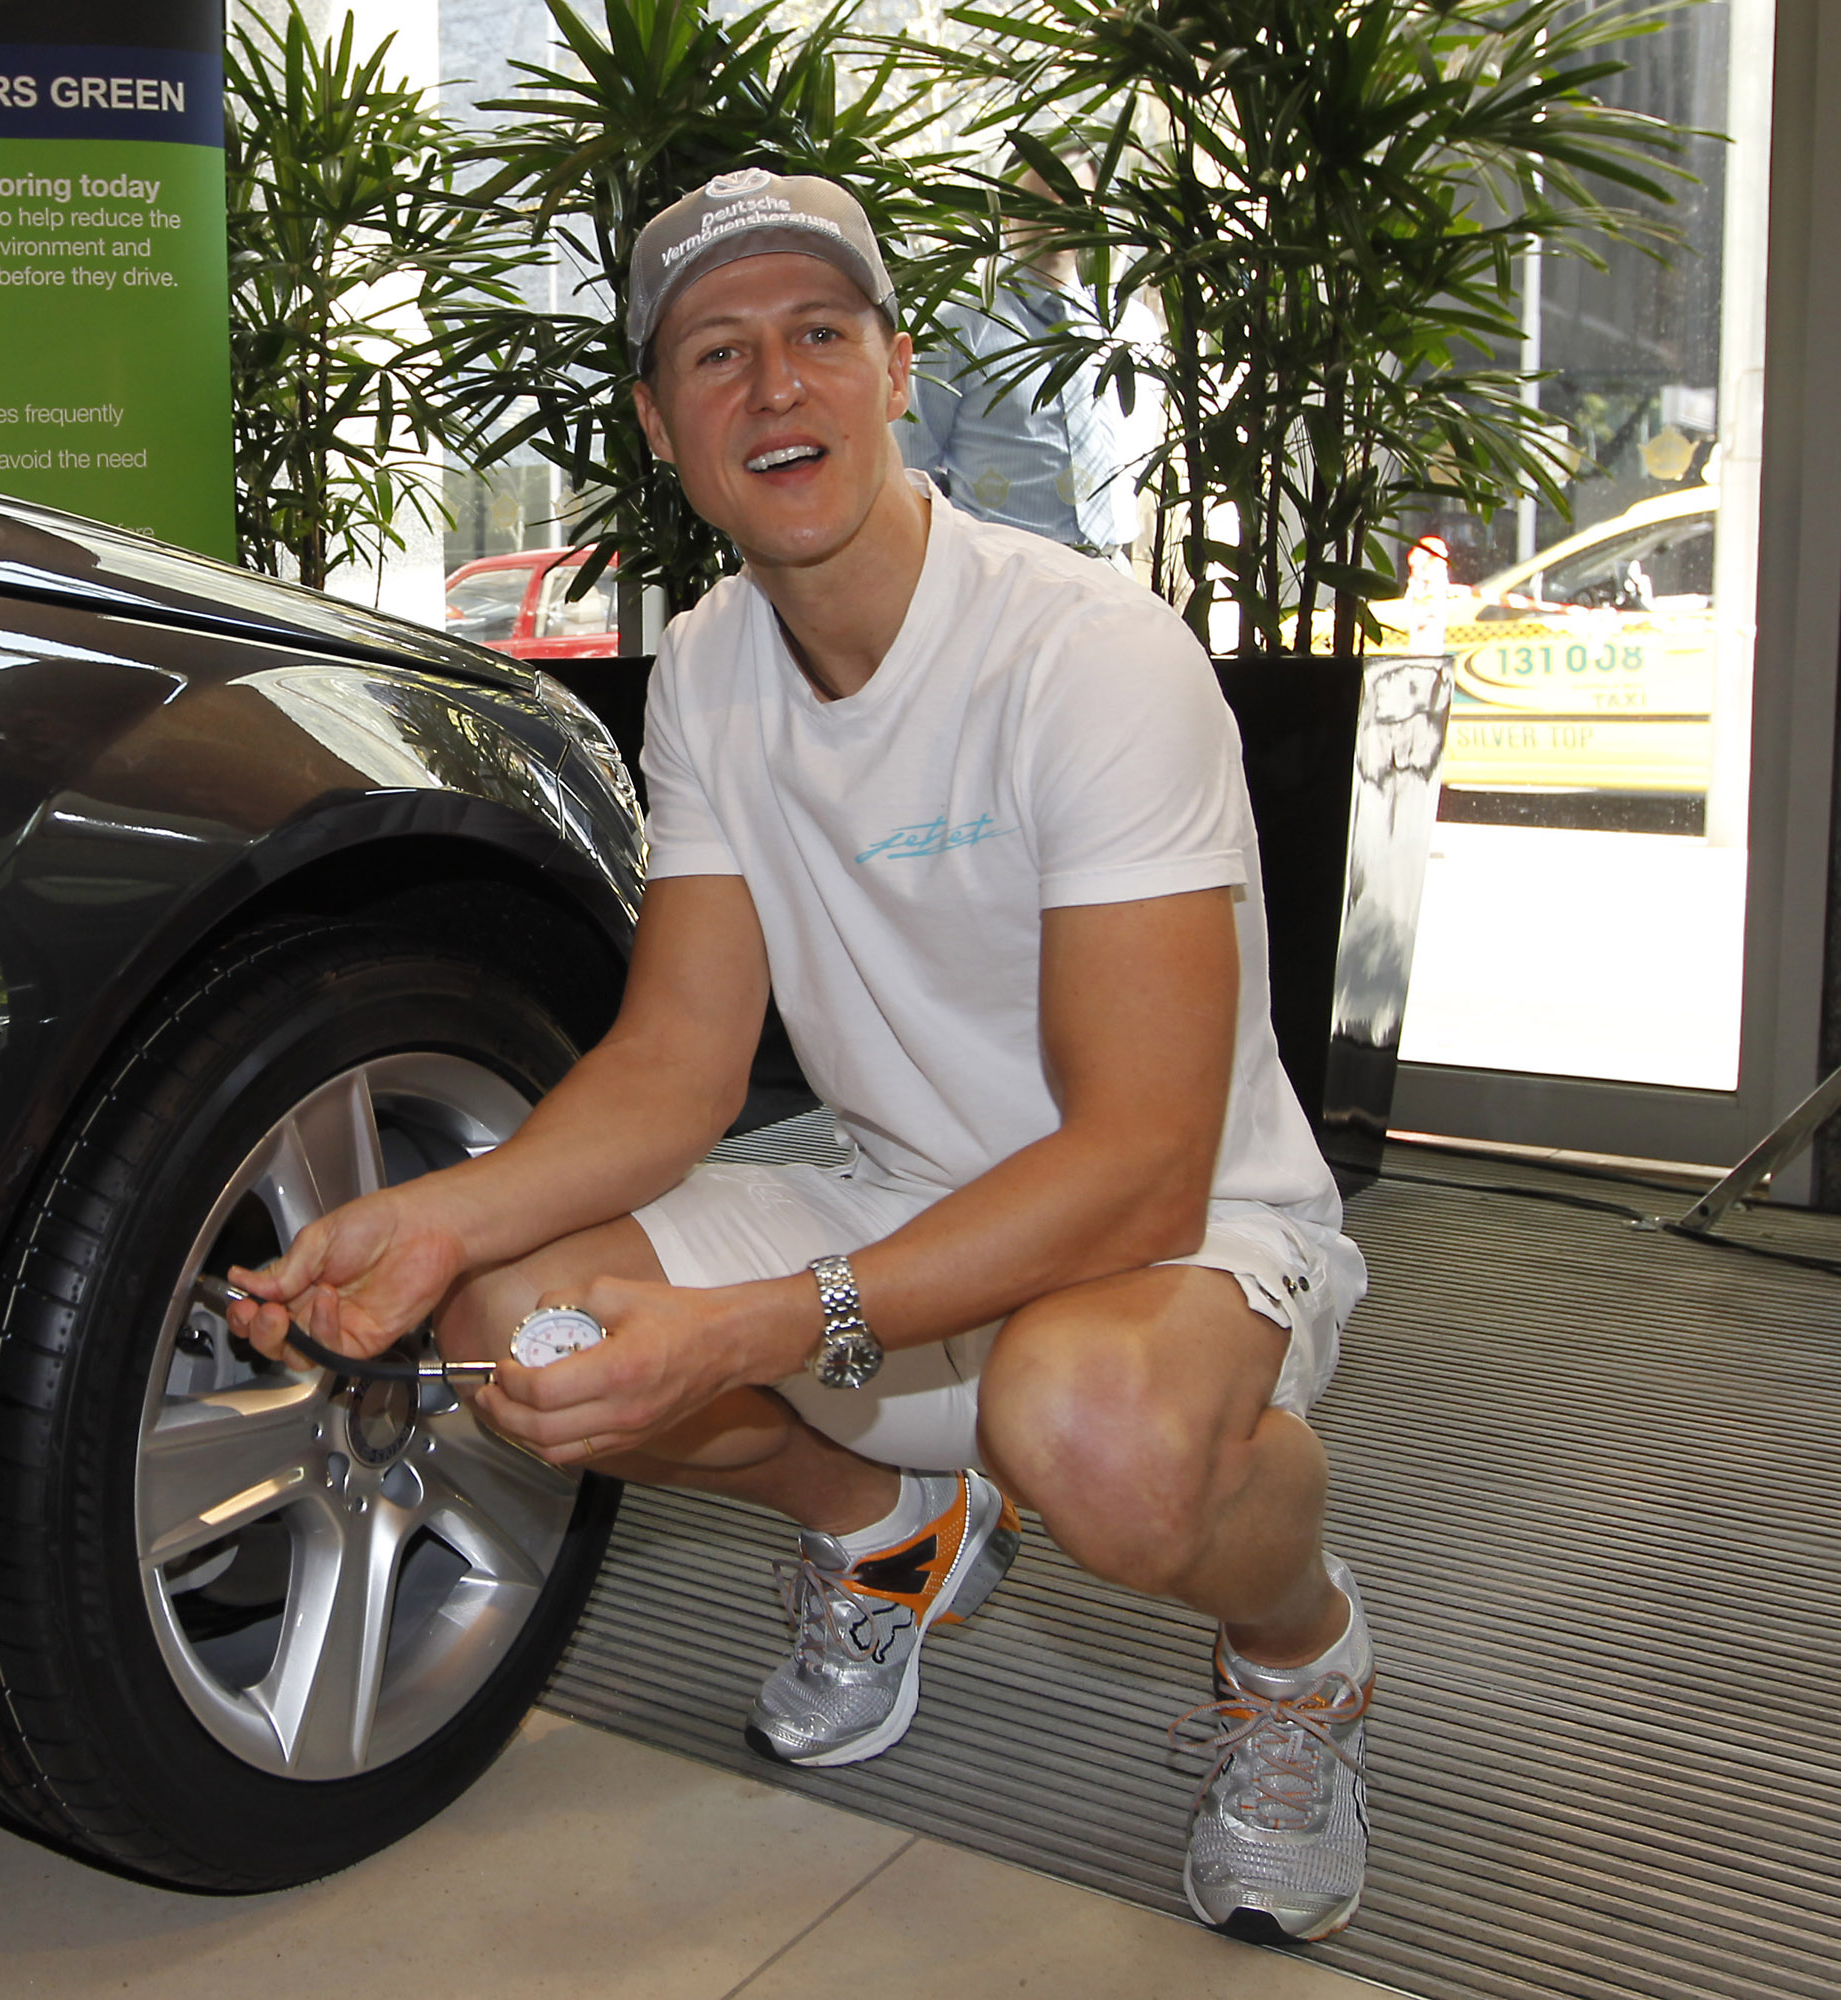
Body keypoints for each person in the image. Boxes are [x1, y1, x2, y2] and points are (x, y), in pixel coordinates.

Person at [224, 168, 1376, 1945]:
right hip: (898, 1194)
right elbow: (677, 1066)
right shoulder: (709, 670)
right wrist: (437, 1221)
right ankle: (889, 1531)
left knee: (1091, 1429)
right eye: (717, 352)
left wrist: (763, 1324)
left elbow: (1142, 1162)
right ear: (658, 421)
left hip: (1181, 1242)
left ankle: (1301, 1661)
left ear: (897, 370)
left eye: (820, 334)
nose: (776, 385)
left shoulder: (1087, 657)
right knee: (518, 1321)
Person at [899, 163, 1140, 559]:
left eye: (1074, 203)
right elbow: (910, 476)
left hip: (1114, 568)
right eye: (1038, 204)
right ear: (1007, 215)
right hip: (1001, 575)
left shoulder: (1128, 325)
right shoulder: (958, 325)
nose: (1057, 220)